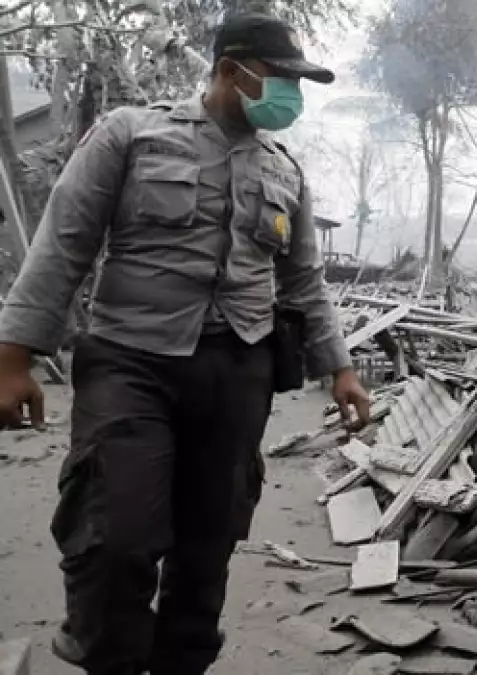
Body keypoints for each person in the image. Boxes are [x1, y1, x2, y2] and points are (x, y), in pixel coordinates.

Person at [0, 13, 370, 675]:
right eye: (282, 78)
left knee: (208, 543)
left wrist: (339, 368)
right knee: (116, 537)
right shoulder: (131, 135)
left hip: (238, 373)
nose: (292, 96)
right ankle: (113, 659)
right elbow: (64, 244)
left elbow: (305, 280)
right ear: (231, 70)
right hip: (129, 363)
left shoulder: (285, 171)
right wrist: (14, 356)